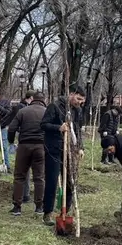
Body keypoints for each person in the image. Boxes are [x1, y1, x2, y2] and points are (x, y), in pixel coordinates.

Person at [41, 84, 85, 226]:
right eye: (78, 98)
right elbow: (43, 124)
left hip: (70, 150)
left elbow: (77, 129)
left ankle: (65, 211)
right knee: (52, 181)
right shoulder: (55, 107)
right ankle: (47, 212)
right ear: (71, 94)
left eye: (82, 101)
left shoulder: (77, 111)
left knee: (71, 180)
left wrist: (79, 147)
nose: (79, 102)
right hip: (54, 149)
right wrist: (58, 128)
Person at [7, 90, 47, 216]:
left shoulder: (23, 111)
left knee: (19, 177)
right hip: (40, 146)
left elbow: (12, 128)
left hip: (24, 146)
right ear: (43, 100)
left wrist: (11, 141)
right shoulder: (46, 112)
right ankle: (39, 207)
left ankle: (17, 207)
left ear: (32, 99)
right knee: (39, 178)